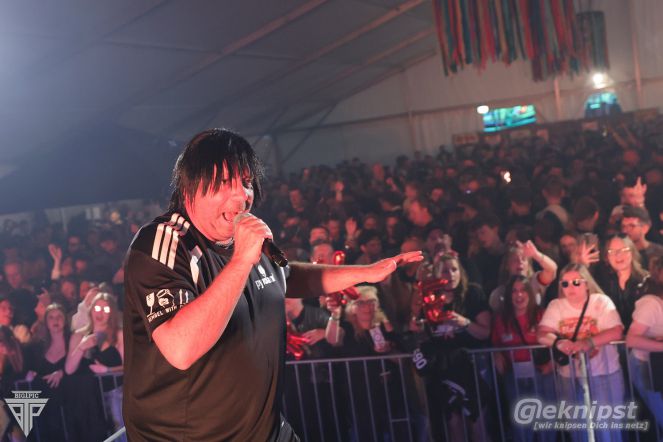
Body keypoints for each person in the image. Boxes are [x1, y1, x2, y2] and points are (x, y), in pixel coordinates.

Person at [122, 128, 422, 441]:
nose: (242, 196)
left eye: (246, 182)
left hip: (266, 432)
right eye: (224, 183)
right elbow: (181, 348)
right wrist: (242, 260)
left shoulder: (247, 241)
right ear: (189, 189)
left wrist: (366, 272)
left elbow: (287, 276)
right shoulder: (166, 242)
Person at [537, 264, 624, 442]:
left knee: (607, 430)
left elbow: (616, 331)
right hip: (569, 377)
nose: (571, 287)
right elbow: (541, 333)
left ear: (586, 284)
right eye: (565, 283)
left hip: (604, 374)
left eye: (576, 282)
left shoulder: (601, 301)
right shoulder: (556, 305)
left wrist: (588, 343)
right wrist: (559, 342)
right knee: (578, 430)